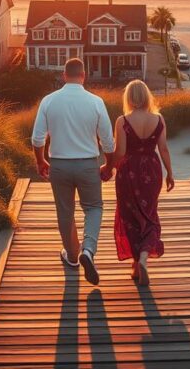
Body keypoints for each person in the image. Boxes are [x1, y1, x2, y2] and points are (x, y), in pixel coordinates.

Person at [31, 58, 115, 285]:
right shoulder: (96, 102)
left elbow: (37, 138)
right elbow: (108, 141)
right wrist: (109, 165)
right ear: (84, 76)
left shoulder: (49, 101)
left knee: (65, 211)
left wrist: (41, 161)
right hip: (88, 164)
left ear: (63, 76)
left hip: (59, 165)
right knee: (94, 207)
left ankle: (72, 256)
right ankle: (88, 249)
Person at [107, 80, 174, 286]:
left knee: (130, 216)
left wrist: (109, 167)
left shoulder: (122, 121)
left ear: (128, 97)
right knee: (149, 215)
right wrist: (169, 173)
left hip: (129, 172)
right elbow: (163, 149)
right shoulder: (159, 119)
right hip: (152, 171)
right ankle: (142, 260)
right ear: (147, 97)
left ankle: (137, 263)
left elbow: (120, 152)